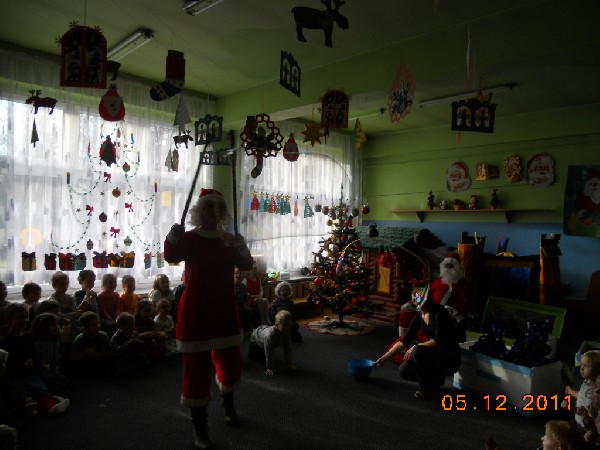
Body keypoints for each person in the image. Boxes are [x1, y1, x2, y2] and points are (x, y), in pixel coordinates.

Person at [164, 187, 253, 449]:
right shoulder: (190, 238)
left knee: (231, 364)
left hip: (224, 309)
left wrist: (242, 247)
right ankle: (199, 426)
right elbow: (171, 256)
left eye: (218, 208)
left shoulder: (229, 240)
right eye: (208, 208)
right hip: (197, 309)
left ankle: (228, 403)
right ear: (199, 212)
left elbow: (246, 265)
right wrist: (173, 237)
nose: (213, 213)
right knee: (196, 370)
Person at [374, 296, 460, 399]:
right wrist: (383, 359)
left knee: (418, 351)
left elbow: (438, 340)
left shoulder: (440, 312)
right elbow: (404, 342)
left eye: (418, 297)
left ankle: (428, 390)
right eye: (414, 297)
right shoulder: (420, 315)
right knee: (404, 370)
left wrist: (415, 347)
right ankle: (436, 381)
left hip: (449, 358)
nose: (415, 300)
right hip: (435, 355)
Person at [0, 303, 70, 415]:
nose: (25, 320)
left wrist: (40, 365)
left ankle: (46, 404)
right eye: (20, 317)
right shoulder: (5, 341)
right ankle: (30, 406)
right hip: (14, 378)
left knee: (43, 391)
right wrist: (22, 364)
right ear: (9, 320)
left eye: (26, 317)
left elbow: (34, 355)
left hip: (30, 375)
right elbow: (5, 365)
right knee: (19, 395)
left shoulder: (28, 337)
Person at [29, 312, 72, 396]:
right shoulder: (39, 343)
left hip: (53, 372)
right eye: (53, 325)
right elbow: (41, 363)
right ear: (43, 327)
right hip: (44, 375)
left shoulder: (53, 339)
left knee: (69, 384)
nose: (57, 327)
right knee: (62, 388)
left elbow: (62, 338)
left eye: (57, 325)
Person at [429, 255, 469, 342]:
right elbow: (427, 294)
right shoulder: (438, 282)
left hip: (452, 318)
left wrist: (450, 310)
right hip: (432, 313)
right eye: (446, 265)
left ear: (457, 267)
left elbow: (466, 304)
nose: (448, 268)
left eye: (451, 266)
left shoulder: (463, 285)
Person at [248, 310, 296, 376]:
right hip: (255, 339)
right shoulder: (270, 335)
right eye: (284, 325)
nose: (287, 327)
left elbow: (288, 348)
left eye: (289, 325)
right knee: (258, 358)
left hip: (265, 332)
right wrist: (270, 368)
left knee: (272, 353)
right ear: (276, 325)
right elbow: (269, 352)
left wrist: (289, 364)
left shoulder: (286, 331)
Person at [563, 350, 600, 434]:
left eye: (587, 366)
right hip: (578, 420)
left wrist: (569, 406)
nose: (582, 368)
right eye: (582, 364)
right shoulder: (587, 381)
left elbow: (586, 411)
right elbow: (581, 395)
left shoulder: (594, 389)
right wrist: (570, 391)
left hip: (585, 425)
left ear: (598, 370)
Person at [70, 311, 111, 379]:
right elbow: (74, 357)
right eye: (94, 325)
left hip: (100, 363)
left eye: (98, 323)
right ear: (85, 327)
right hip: (85, 364)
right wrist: (85, 352)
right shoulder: (80, 338)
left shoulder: (103, 336)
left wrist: (95, 354)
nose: (98, 326)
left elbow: (109, 353)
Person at [234, 268, 252, 333]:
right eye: (236, 273)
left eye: (240, 273)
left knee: (247, 311)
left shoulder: (243, 286)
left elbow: (245, 298)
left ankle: (246, 331)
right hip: (233, 305)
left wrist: (247, 306)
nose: (238, 275)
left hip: (241, 305)